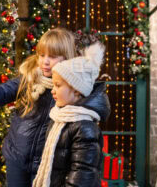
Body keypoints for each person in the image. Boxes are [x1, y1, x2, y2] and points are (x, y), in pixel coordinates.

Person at [0, 28, 78, 186]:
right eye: (41, 55)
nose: (45, 62)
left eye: (52, 57)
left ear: (66, 58)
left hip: (46, 164)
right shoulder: (29, 78)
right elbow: (6, 90)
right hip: (17, 158)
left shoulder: (68, 90)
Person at [32, 41, 111, 187]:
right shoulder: (59, 118)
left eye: (58, 85)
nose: (52, 90)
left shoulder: (84, 128)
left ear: (76, 90)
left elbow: (82, 174)